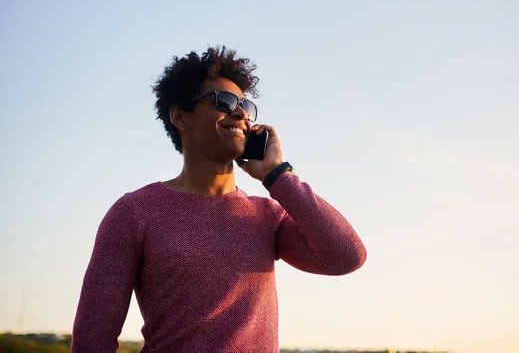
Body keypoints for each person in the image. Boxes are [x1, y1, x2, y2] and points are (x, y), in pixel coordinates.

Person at [71, 46, 367, 352]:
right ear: (180, 117)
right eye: (224, 102)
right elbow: (92, 339)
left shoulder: (267, 216)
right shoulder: (133, 213)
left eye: (246, 106)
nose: (240, 113)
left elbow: (346, 256)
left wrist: (279, 176)